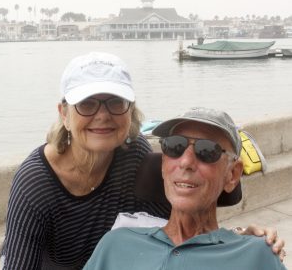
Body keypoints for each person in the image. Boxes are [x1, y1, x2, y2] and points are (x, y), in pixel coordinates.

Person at [0, 52, 284, 270]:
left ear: (130, 111)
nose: (102, 115)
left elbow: (181, 232)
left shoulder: (135, 158)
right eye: (86, 104)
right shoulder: (36, 183)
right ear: (64, 114)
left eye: (115, 102)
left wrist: (238, 242)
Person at [83, 107, 287, 270]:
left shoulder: (256, 255)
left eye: (206, 150)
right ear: (163, 165)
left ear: (232, 174)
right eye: (174, 147)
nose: (186, 162)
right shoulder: (116, 245)